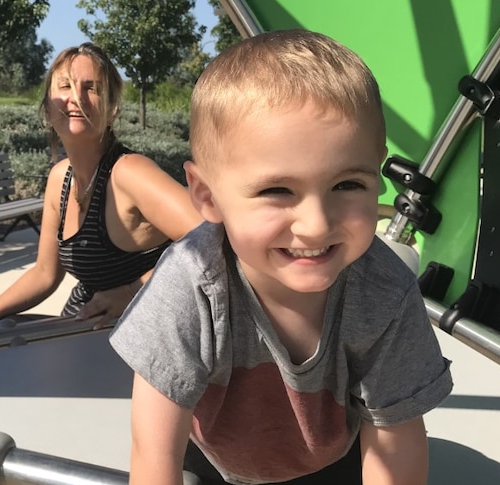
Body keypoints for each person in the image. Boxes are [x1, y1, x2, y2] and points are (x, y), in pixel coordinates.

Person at [109, 29, 453, 484]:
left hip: (332, 464)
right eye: (277, 190)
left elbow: (396, 448)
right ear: (207, 196)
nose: (316, 224)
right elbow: (153, 456)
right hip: (212, 465)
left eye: (348, 185)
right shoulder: (190, 285)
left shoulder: (383, 292)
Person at [0, 43, 202, 331]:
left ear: (112, 108)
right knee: (0, 327)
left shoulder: (129, 172)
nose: (76, 98)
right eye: (64, 86)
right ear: (47, 110)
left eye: (91, 88)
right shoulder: (59, 179)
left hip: (142, 336)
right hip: (82, 328)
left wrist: (132, 292)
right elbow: (45, 274)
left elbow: (213, 239)